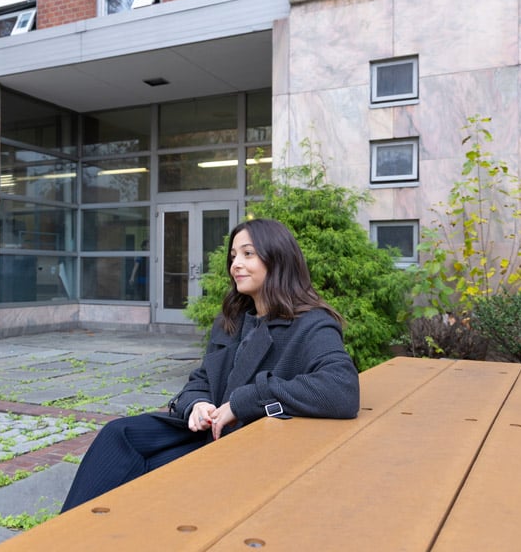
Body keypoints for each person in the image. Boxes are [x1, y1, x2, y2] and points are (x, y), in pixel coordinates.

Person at [60, 218, 360, 512]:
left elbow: (342, 390)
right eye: (233, 257)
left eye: (248, 254)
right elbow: (202, 378)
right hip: (208, 435)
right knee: (119, 435)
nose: (235, 265)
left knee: (146, 479)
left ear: (279, 259)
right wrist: (197, 404)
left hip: (251, 447)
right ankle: (62, 535)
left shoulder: (310, 324)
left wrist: (244, 402)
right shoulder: (232, 321)